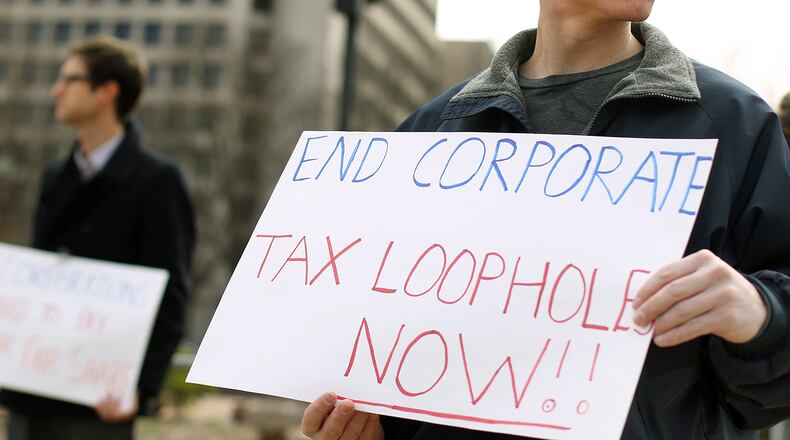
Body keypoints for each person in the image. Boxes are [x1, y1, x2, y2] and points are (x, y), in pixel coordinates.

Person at [300, 1, 790, 439]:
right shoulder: (433, 131)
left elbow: (768, 385)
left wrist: (763, 316)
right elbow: (392, 348)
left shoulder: (733, 123)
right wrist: (368, 429)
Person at [0, 36, 195, 439]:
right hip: (34, 391)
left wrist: (141, 388)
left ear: (107, 91)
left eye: (69, 79)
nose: (57, 90)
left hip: (100, 401)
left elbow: (171, 294)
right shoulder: (56, 177)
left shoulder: (158, 181)